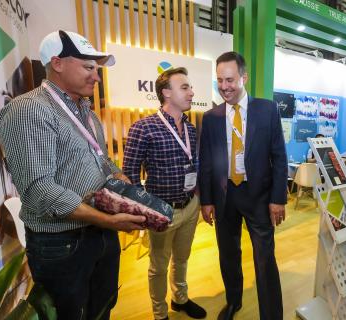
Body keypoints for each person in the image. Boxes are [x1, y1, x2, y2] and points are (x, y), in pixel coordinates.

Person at [0, 30, 146, 320]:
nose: (97, 77)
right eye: (89, 67)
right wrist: (109, 220)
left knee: (102, 308)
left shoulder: (86, 111)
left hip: (100, 234)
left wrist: (116, 175)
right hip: (62, 244)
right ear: (57, 63)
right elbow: (41, 191)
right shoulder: (28, 110)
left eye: (97, 70)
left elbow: (98, 159)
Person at [199, 51, 287, 320]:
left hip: (258, 196)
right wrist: (206, 200)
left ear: (243, 77)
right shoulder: (211, 117)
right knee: (228, 254)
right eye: (219, 81)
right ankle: (233, 301)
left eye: (230, 80)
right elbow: (206, 162)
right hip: (225, 195)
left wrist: (278, 198)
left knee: (264, 258)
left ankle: (271, 315)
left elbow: (279, 156)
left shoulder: (267, 109)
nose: (224, 87)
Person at [123, 67, 206, 320]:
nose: (192, 92)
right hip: (161, 210)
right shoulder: (143, 128)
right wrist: (143, 212)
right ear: (166, 92)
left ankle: (180, 299)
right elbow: (130, 175)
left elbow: (195, 166)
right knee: (158, 267)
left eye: (190, 87)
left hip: (190, 206)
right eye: (185, 87)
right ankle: (159, 314)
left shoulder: (191, 129)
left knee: (182, 259)